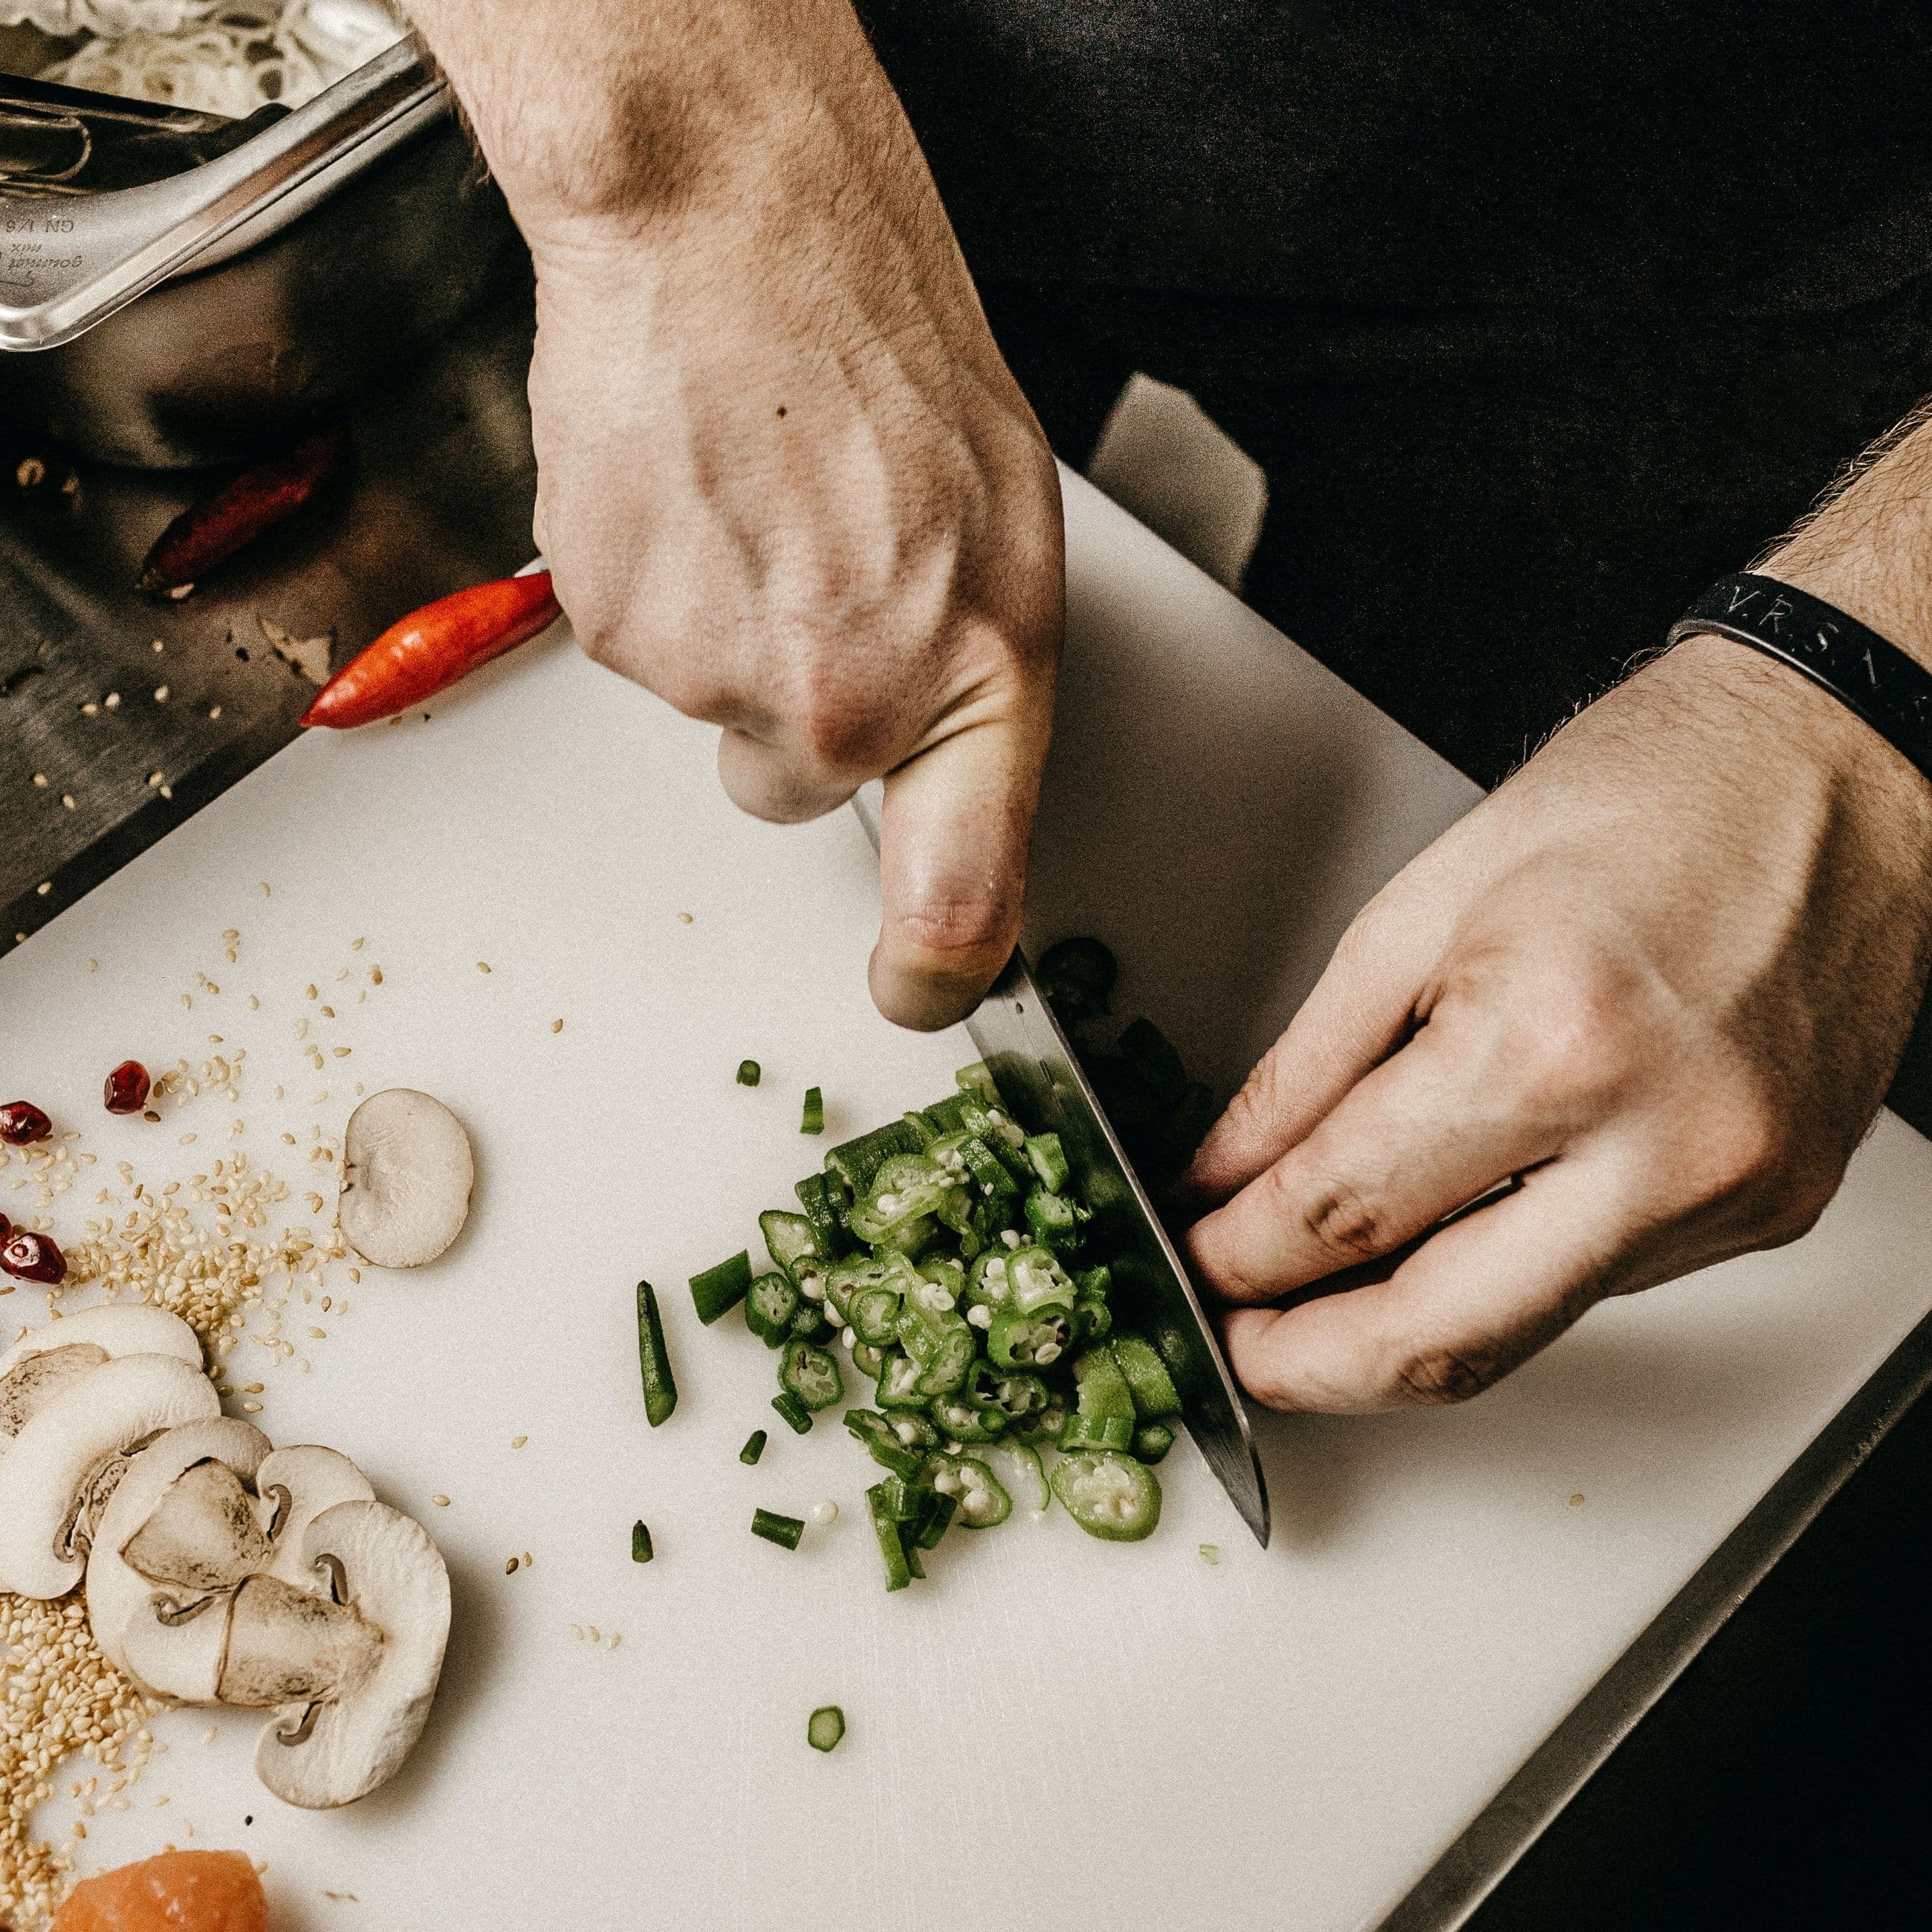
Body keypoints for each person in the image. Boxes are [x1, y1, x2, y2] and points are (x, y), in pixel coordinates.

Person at [407, 0, 1932, 1415]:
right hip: (851, 59)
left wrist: (1866, 699)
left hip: (1747, 258)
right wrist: (663, 151)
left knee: (1534, 1029)